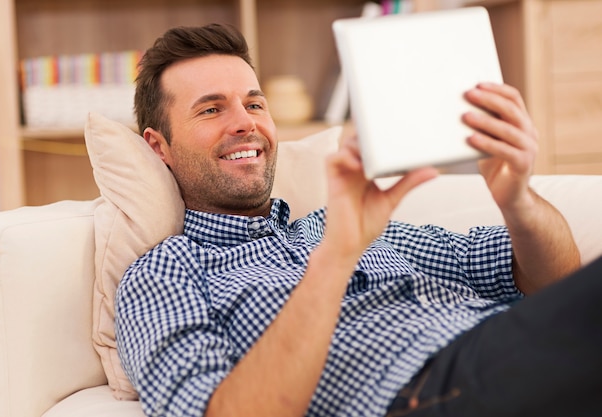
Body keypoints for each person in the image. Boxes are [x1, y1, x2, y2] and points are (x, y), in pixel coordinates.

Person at [116, 23, 601, 417]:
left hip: (510, 350)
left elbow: (551, 278)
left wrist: (517, 199)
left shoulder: (341, 223)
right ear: (159, 146)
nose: (246, 122)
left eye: (255, 103)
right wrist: (337, 258)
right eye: (211, 109)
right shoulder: (166, 272)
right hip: (429, 390)